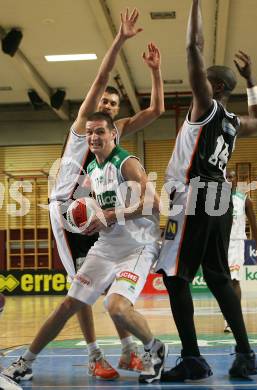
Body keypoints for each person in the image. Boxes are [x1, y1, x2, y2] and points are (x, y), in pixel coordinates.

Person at [3, 8, 164, 383]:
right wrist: (120, 39)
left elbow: (156, 111)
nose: (104, 108)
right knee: (78, 295)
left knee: (108, 292)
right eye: (100, 103)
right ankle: (94, 355)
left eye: (110, 105)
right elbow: (101, 76)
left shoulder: (117, 140)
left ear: (114, 119)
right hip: (69, 212)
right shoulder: (84, 130)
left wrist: (156, 70)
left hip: (101, 217)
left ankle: (128, 351)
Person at [5, 112, 168, 386]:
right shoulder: (92, 169)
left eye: (100, 131)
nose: (93, 137)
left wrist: (110, 216)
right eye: (90, 132)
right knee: (69, 304)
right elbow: (102, 211)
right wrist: (92, 222)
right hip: (107, 246)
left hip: (138, 247)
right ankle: (26, 362)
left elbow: (154, 203)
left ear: (113, 134)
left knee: (114, 306)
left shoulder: (126, 163)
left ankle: (154, 347)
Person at [155, 0, 257, 382]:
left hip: (194, 194)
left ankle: (192, 359)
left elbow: (192, 47)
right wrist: (251, 80)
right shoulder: (235, 123)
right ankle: (246, 354)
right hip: (219, 195)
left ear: (213, 86)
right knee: (218, 276)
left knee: (174, 276)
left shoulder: (207, 107)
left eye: (203, 81)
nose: (194, 84)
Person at [223, 169, 257, 333]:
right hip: (221, 244)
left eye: (231, 177)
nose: (228, 179)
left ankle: (233, 319)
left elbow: (254, 226)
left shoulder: (244, 200)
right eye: (226, 177)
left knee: (234, 281)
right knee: (223, 282)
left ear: (236, 180)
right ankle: (227, 316)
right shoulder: (214, 199)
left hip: (237, 243)